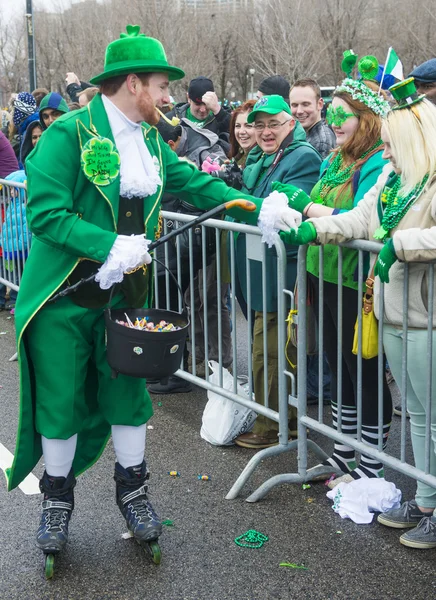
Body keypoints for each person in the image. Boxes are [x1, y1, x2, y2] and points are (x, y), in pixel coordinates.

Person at [6, 25, 281, 570]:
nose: (167, 98)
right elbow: (44, 213)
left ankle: (132, 492)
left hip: (125, 304)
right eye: (160, 86)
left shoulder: (153, 140)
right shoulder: (68, 135)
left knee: (129, 398)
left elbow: (197, 185)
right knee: (60, 402)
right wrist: (108, 244)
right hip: (63, 298)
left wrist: (252, 205)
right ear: (132, 84)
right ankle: (57, 502)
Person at [284, 77, 436, 549]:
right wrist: (313, 229)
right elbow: (358, 220)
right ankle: (427, 498)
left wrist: (401, 244)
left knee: (432, 414)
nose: (385, 154)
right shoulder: (394, 181)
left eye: (391, 145)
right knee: (414, 411)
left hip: (425, 314)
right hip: (390, 311)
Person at [274, 55, 393, 483]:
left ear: (368, 119)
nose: (336, 122)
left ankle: (372, 464)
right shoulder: (336, 158)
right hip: (322, 274)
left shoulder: (378, 161)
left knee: (363, 367)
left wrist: (307, 209)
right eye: (334, 113)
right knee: (338, 367)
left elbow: (359, 218)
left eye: (345, 116)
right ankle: (344, 453)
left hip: (355, 278)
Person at [233, 94, 322, 449]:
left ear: (291, 124)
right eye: (260, 125)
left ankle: (276, 426)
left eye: (273, 124)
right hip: (257, 269)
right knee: (260, 346)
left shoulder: (302, 157)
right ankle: (270, 419)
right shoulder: (259, 157)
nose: (265, 132)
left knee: (270, 349)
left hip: (281, 273)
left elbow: (285, 210)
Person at [166, 76, 231, 145]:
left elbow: (235, 137)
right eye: (197, 104)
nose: (202, 110)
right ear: (188, 98)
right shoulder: (171, 118)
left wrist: (219, 112)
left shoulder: (222, 118)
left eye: (206, 104)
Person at [289, 79, 336, 159]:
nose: (299, 111)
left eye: (305, 104)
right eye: (294, 105)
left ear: (320, 104)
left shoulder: (321, 143)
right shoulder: (304, 134)